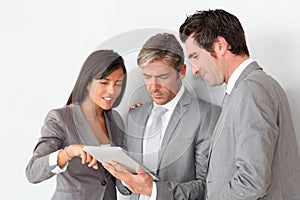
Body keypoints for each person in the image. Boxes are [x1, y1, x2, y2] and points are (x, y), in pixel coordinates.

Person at [179, 9, 300, 200]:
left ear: (220, 45)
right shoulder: (247, 88)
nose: (194, 70)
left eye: (195, 57)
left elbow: (252, 181)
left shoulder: (251, 89)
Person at [103, 33, 221, 200]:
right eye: (147, 77)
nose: (153, 87)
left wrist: (154, 191)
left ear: (182, 72)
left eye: (162, 77)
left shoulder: (207, 115)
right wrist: (123, 180)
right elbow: (124, 185)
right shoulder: (135, 116)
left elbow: (207, 186)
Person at [25, 49, 127, 199]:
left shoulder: (116, 120)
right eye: (104, 83)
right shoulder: (61, 118)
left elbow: (116, 179)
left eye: (118, 84)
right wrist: (68, 153)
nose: (112, 91)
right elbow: (33, 172)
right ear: (87, 83)